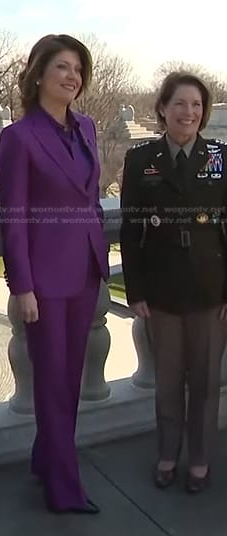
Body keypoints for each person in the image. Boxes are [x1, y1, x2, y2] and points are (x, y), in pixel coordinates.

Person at [0, 34, 109, 513]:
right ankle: (64, 488)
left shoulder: (85, 126)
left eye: (78, 69)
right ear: (38, 73)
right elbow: (12, 214)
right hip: (43, 279)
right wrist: (21, 285)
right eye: (62, 67)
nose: (72, 77)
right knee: (53, 382)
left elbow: (89, 195)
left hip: (85, 268)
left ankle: (46, 459)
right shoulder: (18, 137)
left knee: (72, 378)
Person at [120, 71, 227, 493]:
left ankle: (199, 459)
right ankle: (167, 454)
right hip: (161, 290)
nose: (189, 112)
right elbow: (130, 230)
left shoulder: (220, 157)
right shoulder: (140, 159)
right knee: (166, 382)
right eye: (180, 104)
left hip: (209, 288)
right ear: (163, 109)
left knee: (204, 383)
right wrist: (137, 291)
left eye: (197, 105)